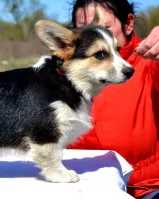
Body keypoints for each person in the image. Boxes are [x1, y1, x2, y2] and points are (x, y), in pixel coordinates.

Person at [66, 0, 159, 198]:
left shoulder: (151, 64)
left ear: (129, 24)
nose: (95, 38)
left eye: (104, 28)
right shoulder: (62, 73)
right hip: (80, 189)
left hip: (145, 189)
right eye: (84, 31)